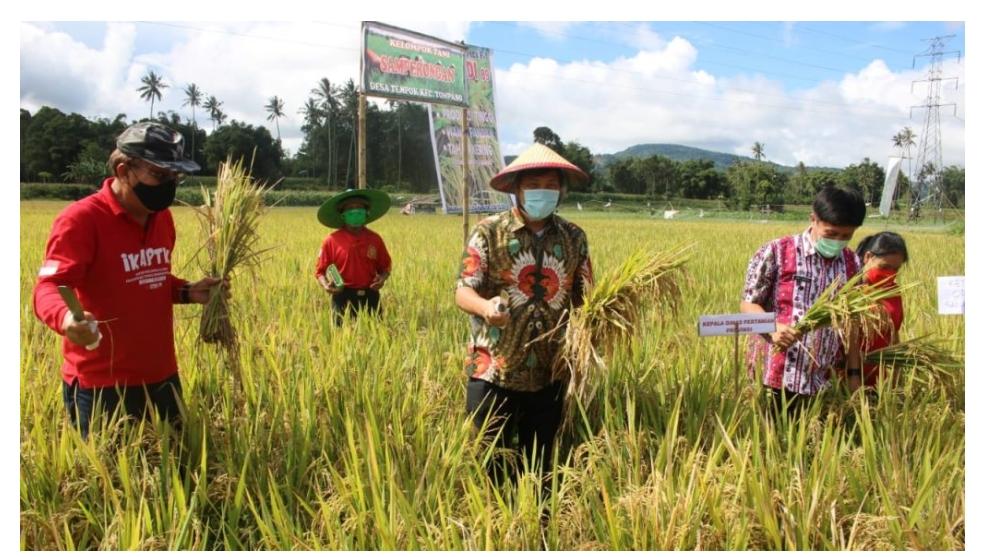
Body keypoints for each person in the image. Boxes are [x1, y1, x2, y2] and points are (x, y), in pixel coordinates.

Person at [32, 121, 224, 438]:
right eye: (159, 175)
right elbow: (49, 286)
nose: (169, 185)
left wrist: (188, 291)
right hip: (102, 384)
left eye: (175, 177)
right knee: (113, 481)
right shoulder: (81, 219)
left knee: (176, 472)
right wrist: (67, 319)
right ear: (123, 170)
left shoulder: (161, 218)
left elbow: (149, 278)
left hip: (161, 375)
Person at [455, 143, 593, 483]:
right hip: (495, 369)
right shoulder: (489, 231)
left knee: (541, 468)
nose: (541, 193)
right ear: (516, 189)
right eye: (533, 185)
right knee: (493, 466)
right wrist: (486, 307)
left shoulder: (574, 237)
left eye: (550, 186)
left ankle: (537, 526)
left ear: (560, 191)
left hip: (551, 372)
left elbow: (586, 298)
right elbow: (463, 289)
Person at [740, 186, 867, 417]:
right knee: (770, 442)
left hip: (822, 377)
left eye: (846, 236)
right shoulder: (776, 251)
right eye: (830, 234)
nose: (838, 241)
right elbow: (748, 305)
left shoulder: (853, 263)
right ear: (813, 219)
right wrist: (773, 327)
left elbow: (853, 323)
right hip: (774, 374)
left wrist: (854, 374)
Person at [315, 189, 392, 324]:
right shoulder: (331, 240)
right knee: (340, 338)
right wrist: (326, 285)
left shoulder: (375, 239)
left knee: (376, 332)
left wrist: (382, 279)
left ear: (366, 213)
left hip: (370, 295)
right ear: (343, 215)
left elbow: (385, 267)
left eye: (359, 208)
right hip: (342, 295)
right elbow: (320, 271)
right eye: (350, 209)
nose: (355, 212)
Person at [855, 231, 908, 387]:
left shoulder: (893, 291)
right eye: (885, 267)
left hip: (880, 376)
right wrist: (853, 374)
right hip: (848, 374)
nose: (890, 274)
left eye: (895, 269)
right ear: (868, 257)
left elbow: (894, 333)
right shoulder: (849, 290)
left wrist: (897, 369)